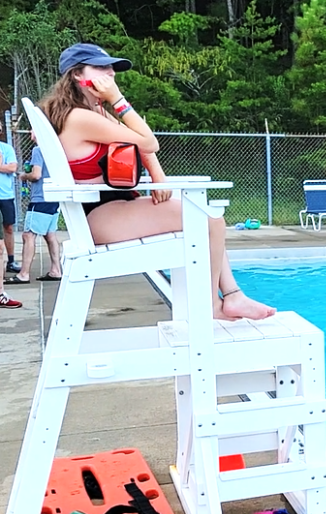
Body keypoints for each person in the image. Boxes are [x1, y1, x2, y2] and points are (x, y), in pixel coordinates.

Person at [40, 43, 274, 321]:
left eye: (111, 68)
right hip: (100, 216)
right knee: (210, 220)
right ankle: (213, 305)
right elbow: (149, 140)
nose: (111, 73)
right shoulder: (81, 117)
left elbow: (139, 144)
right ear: (78, 75)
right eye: (101, 68)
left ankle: (233, 296)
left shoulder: (93, 113)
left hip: (113, 207)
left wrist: (158, 176)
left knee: (206, 217)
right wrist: (119, 100)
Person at [9, 134, 63, 284]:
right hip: (54, 197)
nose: (30, 132)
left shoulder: (38, 150)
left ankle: (23, 274)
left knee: (28, 235)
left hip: (40, 199)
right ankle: (56, 270)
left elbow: (36, 175)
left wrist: (24, 176)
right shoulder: (57, 150)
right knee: (50, 235)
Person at [0, 126, 19, 274]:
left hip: (5, 195)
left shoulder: (6, 149)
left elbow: (12, 167)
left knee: (8, 227)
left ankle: (11, 260)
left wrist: (2, 166)